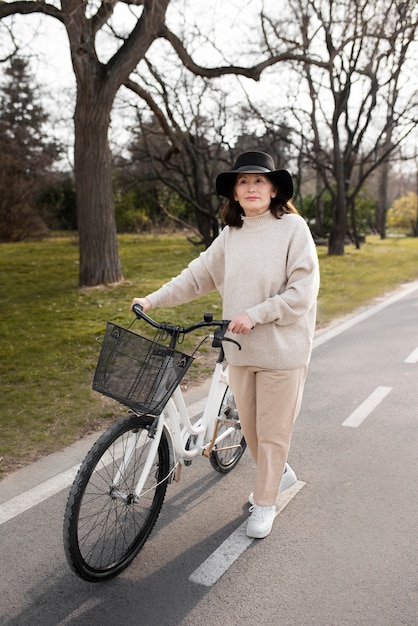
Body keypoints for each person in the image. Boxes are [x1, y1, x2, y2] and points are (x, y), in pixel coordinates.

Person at [131, 151, 320, 539]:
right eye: (243, 182)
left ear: (274, 190)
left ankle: (264, 503)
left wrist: (257, 313)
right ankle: (279, 472)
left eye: (259, 181)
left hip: (283, 351)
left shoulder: (293, 229)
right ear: (234, 192)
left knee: (271, 433)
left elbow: (303, 292)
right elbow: (197, 275)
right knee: (250, 431)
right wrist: (153, 299)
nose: (251, 187)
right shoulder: (231, 235)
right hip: (240, 350)